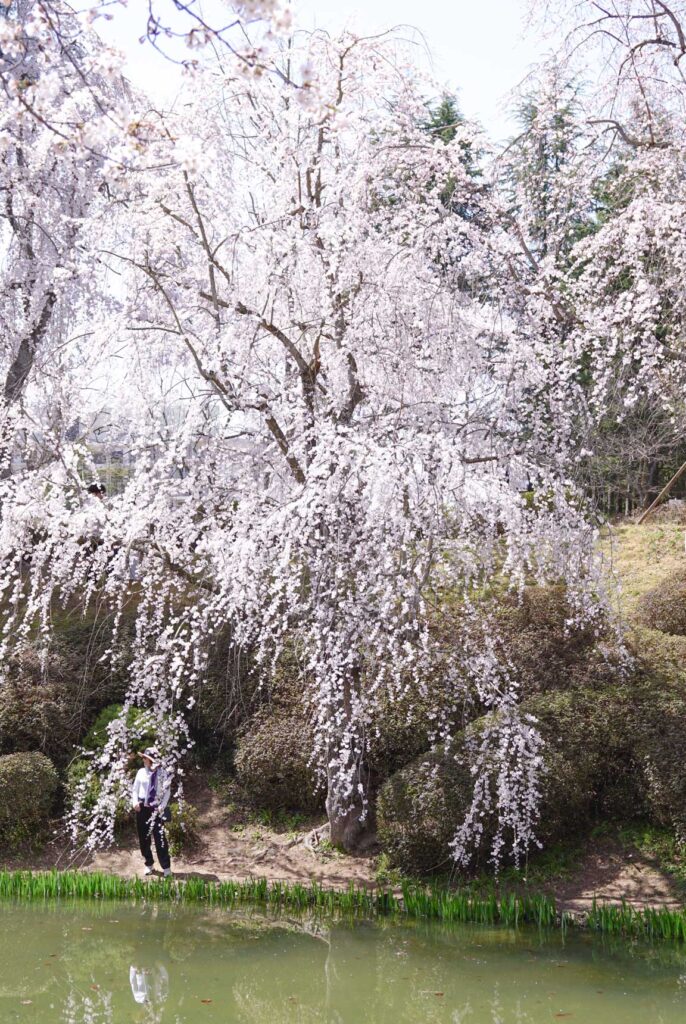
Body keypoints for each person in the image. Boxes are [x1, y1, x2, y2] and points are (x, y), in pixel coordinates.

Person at [131, 746, 172, 877]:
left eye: (146, 758)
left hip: (156, 809)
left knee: (160, 838)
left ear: (151, 760)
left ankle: (166, 867)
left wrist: (162, 806)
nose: (143, 760)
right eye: (143, 757)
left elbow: (167, 792)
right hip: (142, 808)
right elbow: (135, 790)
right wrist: (135, 802)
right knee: (144, 838)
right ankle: (149, 864)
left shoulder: (163, 774)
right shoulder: (140, 772)